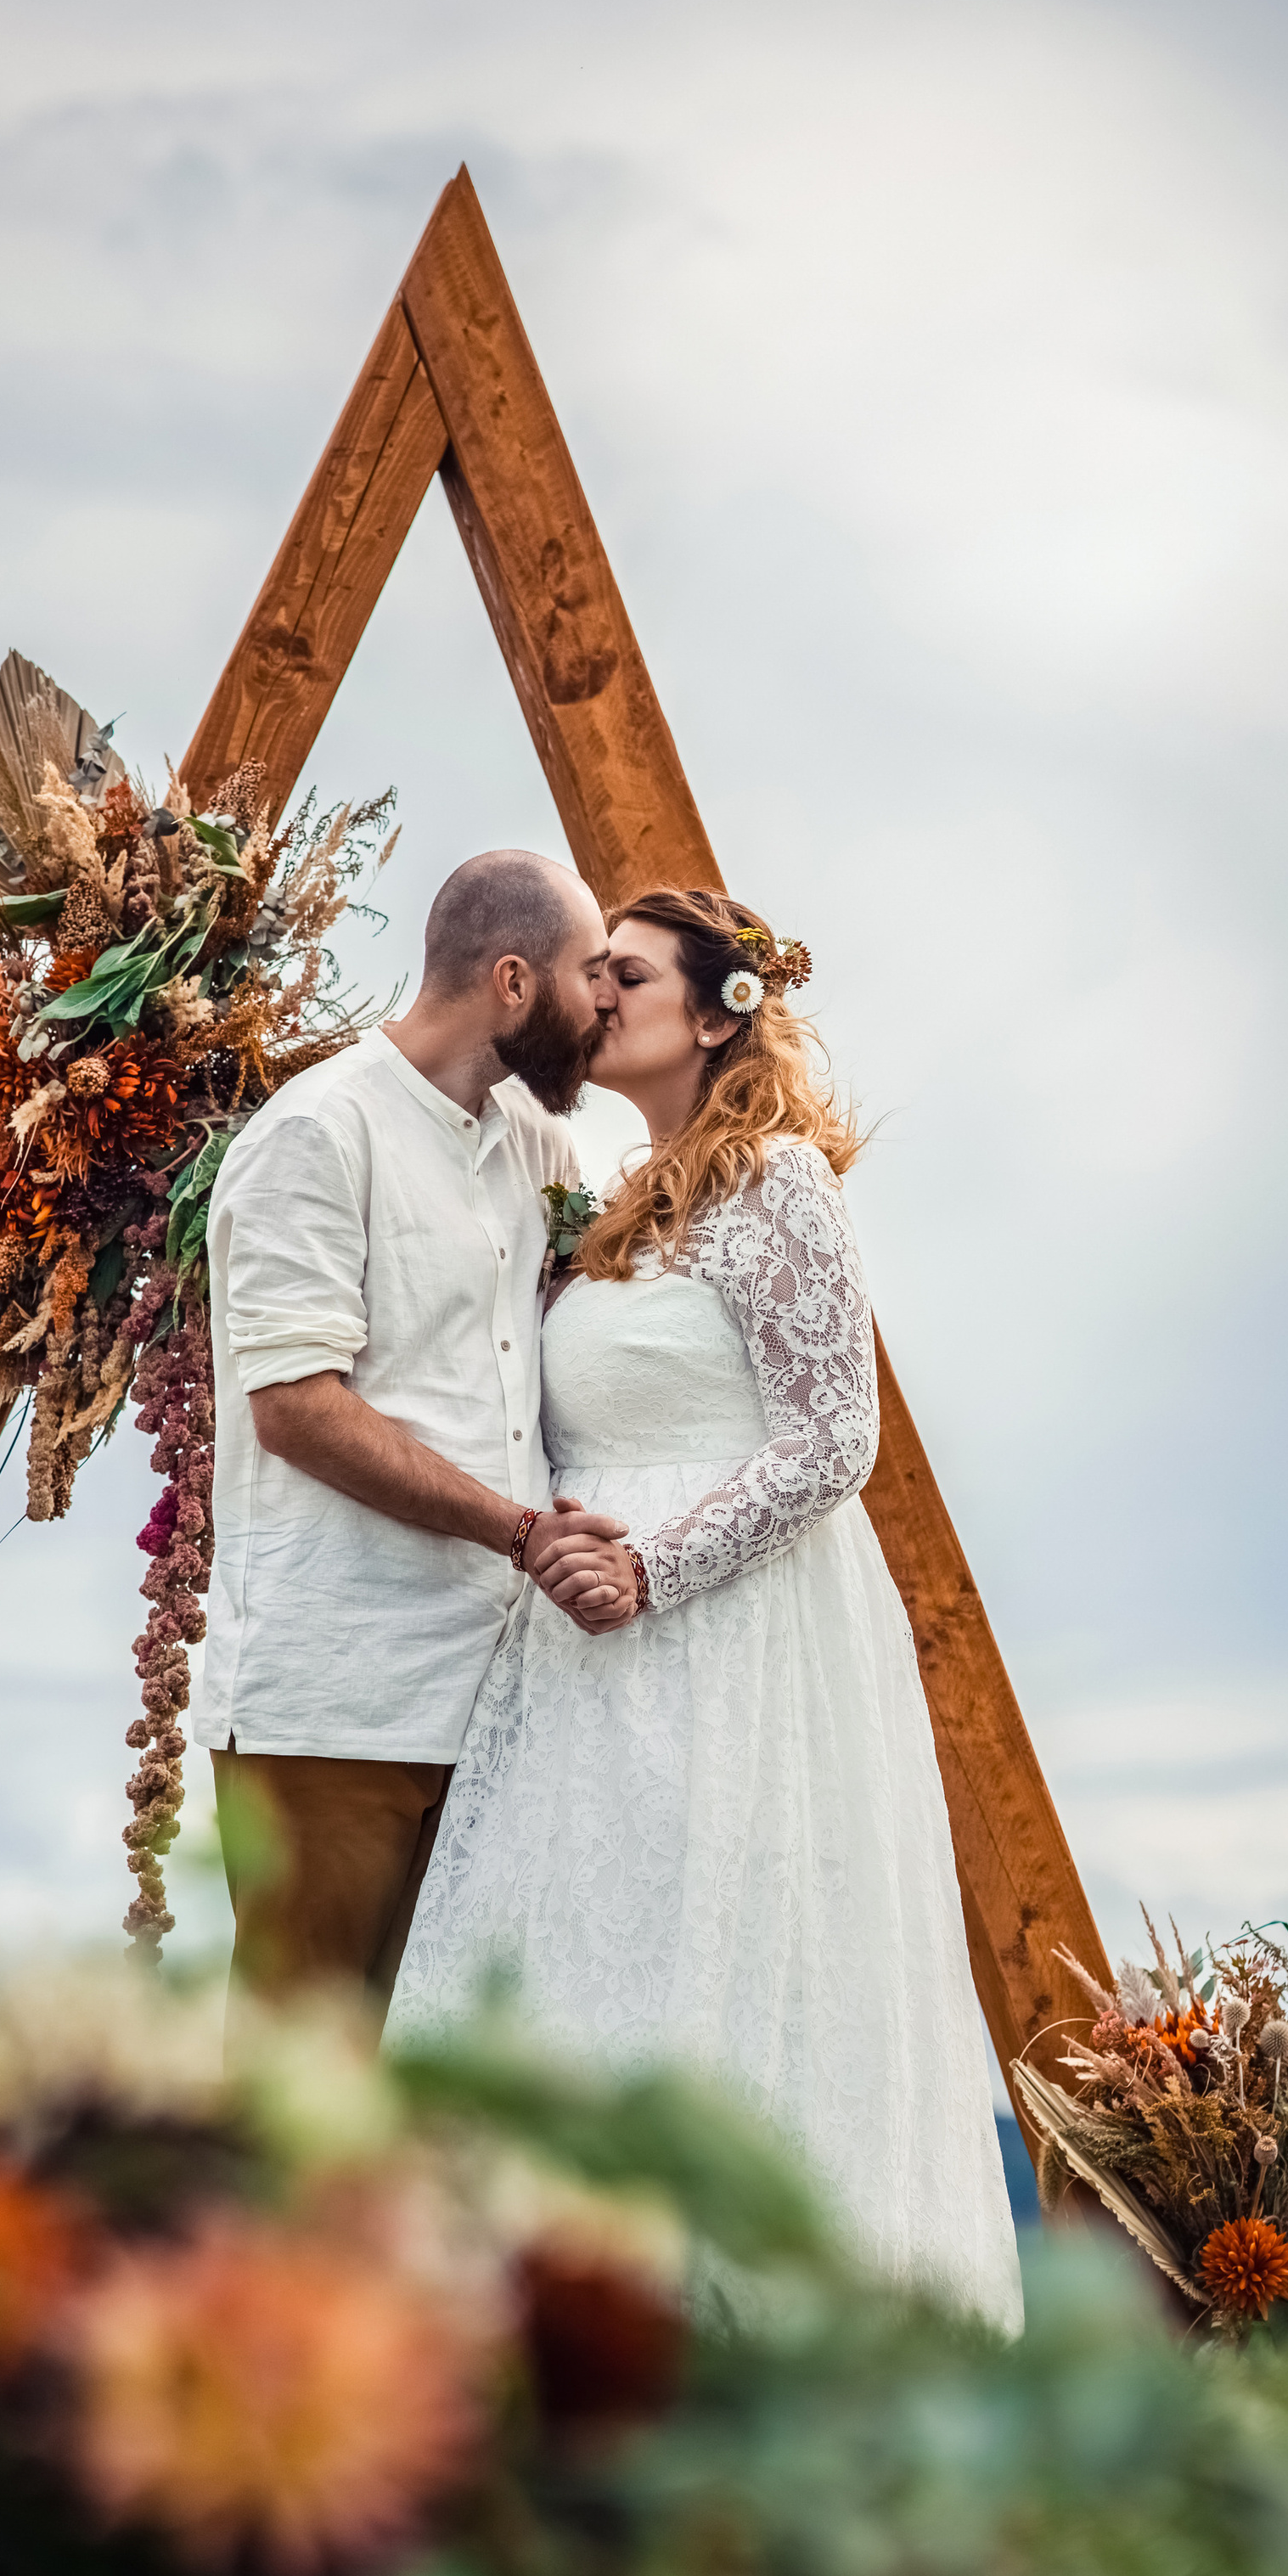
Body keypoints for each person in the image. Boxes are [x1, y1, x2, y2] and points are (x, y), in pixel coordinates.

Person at [388, 888, 1024, 2332]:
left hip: (735, 1643)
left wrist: (653, 1566)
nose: (591, 992)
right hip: (583, 1657)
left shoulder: (779, 1181)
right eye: (588, 968)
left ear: (717, 1009)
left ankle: (755, 2341)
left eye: (624, 973)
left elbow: (835, 1436)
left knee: (730, 1982)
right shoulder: (612, 1204)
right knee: (579, 1977)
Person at [191, 847, 627, 2003]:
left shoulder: (536, 1148)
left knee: (455, 2086)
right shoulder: (317, 1135)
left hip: (493, 1696)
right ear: (516, 982)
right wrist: (521, 1530)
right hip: (339, 1695)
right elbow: (297, 1411)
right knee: (307, 2081)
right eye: (594, 974)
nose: (608, 1005)